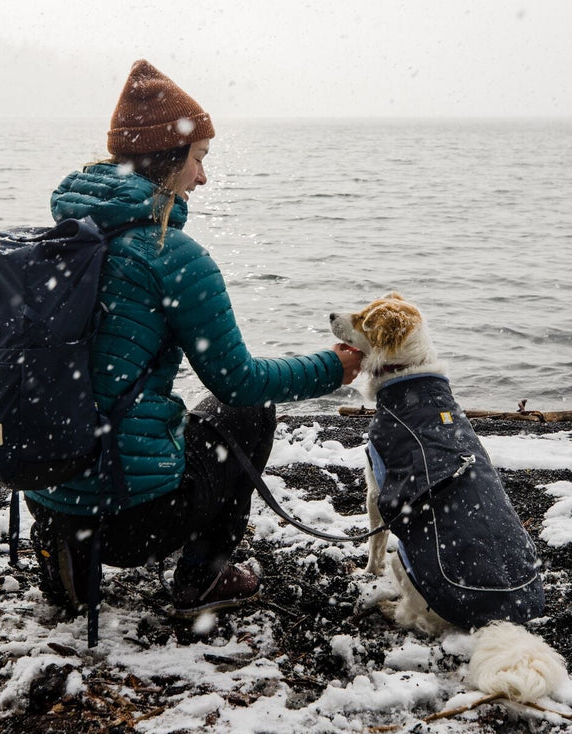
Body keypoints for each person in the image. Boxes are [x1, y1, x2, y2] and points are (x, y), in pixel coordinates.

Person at [24, 60, 363, 618]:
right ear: (166, 159)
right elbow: (240, 381)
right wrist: (333, 367)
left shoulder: (55, 243)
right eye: (199, 159)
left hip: (44, 483)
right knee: (245, 413)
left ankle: (65, 550)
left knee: (114, 405)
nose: (202, 178)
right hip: (135, 521)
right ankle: (202, 578)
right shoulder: (172, 255)